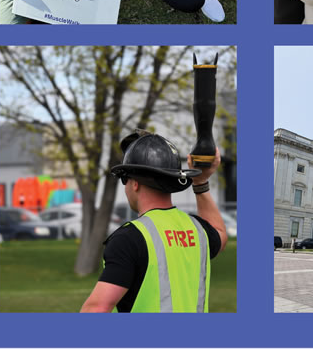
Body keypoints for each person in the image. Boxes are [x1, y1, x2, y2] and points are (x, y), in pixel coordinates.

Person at [81, 133, 228, 312]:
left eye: (124, 179)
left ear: (134, 183)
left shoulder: (129, 238)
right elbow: (220, 232)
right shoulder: (198, 230)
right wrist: (201, 181)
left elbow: (97, 308)